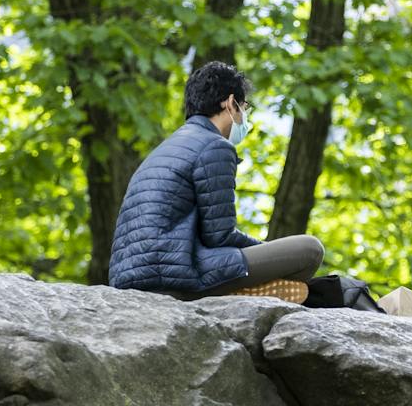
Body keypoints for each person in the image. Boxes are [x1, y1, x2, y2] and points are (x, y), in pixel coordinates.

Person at [109, 61, 324, 298]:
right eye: (245, 107)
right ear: (230, 103)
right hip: (176, 277)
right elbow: (219, 235)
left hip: (132, 277)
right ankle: (244, 294)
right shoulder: (214, 146)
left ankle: (249, 291)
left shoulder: (168, 146)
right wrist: (270, 253)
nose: (245, 117)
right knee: (310, 250)